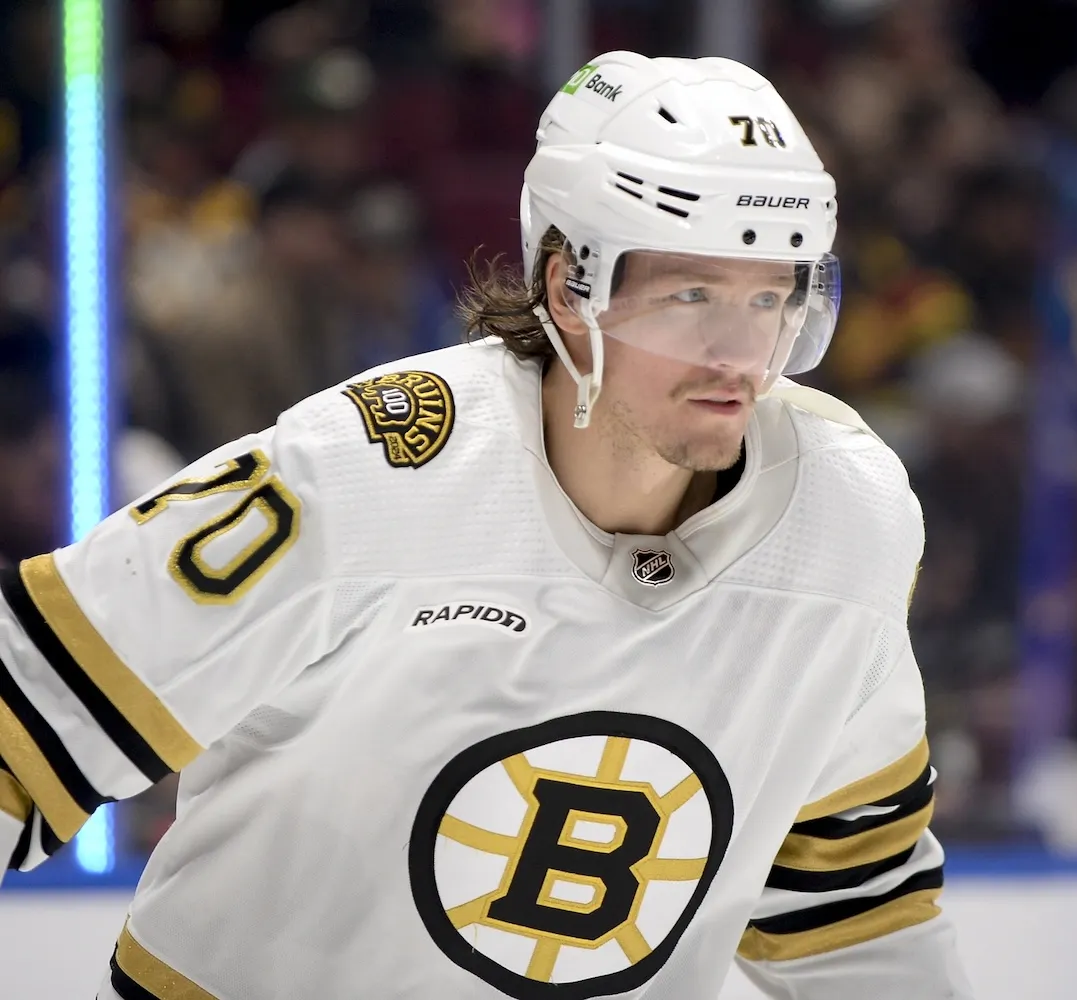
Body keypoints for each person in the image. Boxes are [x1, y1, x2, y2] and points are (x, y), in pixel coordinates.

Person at [0, 52, 974, 1000]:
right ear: (568, 287)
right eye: (691, 294)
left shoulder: (848, 519)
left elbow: (851, 905)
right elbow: (30, 717)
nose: (738, 354)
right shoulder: (368, 474)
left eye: (769, 296)